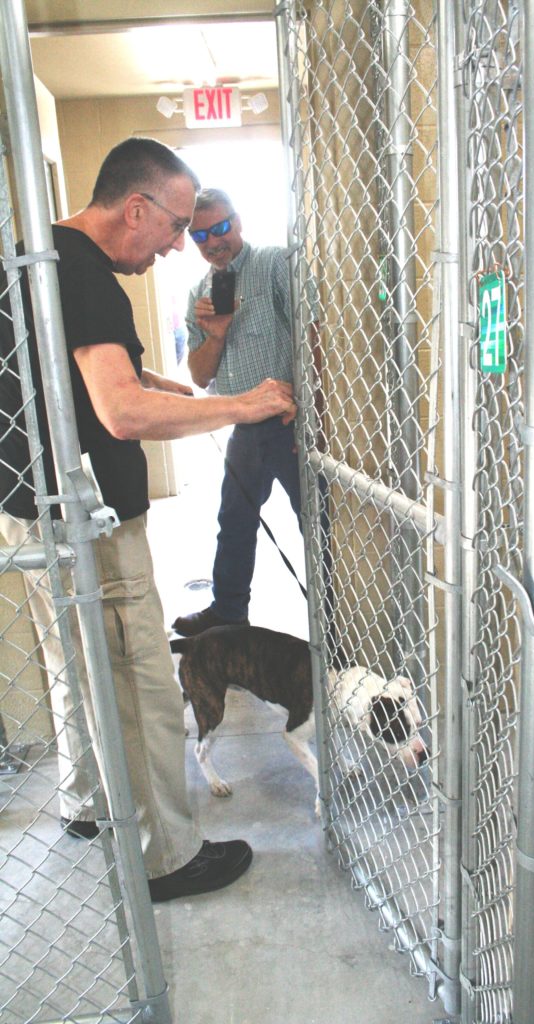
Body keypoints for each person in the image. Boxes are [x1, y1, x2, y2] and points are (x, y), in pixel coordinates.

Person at [0, 138, 296, 902]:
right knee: (140, 689)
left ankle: (86, 803)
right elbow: (123, 409)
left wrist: (202, 400)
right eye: (171, 228)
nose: (174, 247)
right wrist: (243, 406)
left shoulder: (45, 258)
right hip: (89, 522)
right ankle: (164, 857)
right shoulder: (88, 276)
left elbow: (131, 376)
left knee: (76, 665)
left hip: (32, 512)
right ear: (135, 207)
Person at [172, 188, 304, 637]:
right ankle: (229, 613)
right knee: (234, 520)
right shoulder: (199, 294)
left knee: (317, 521)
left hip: (290, 422)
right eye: (200, 234)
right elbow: (199, 375)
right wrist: (216, 334)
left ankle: (337, 617)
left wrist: (313, 406)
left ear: (239, 220)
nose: (213, 242)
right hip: (244, 428)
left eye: (221, 227)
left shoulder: (272, 264)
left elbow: (313, 332)